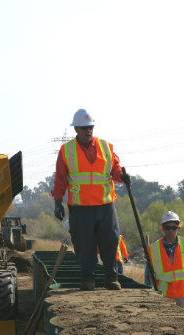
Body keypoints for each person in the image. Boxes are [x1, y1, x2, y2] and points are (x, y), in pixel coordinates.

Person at [52, 108, 130, 291]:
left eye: (91, 127)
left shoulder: (106, 147)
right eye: (84, 128)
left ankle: (111, 278)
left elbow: (115, 169)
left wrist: (122, 177)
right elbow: (60, 179)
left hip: (105, 205)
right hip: (80, 207)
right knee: (84, 244)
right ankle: (88, 278)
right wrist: (58, 201)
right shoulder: (66, 151)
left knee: (110, 241)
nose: (89, 131)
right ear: (76, 130)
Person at [146, 211, 184, 308]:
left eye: (174, 227)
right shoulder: (153, 249)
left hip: (182, 296)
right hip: (162, 296)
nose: (171, 230)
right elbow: (148, 274)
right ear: (163, 228)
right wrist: (147, 293)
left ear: (178, 228)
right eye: (167, 227)